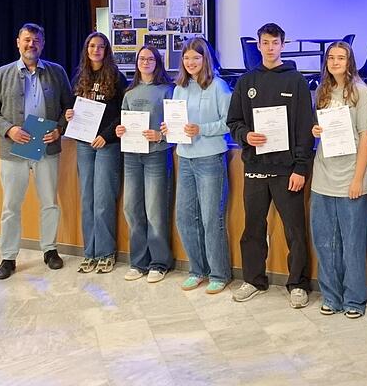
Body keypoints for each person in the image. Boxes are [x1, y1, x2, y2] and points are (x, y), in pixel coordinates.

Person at [226, 23, 314, 308]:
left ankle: (298, 284)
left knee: (295, 230)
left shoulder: (296, 81)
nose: (270, 47)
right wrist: (245, 136)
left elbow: (305, 128)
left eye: (275, 42)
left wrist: (301, 168)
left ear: (282, 45)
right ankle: (253, 279)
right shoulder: (246, 81)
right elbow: (234, 121)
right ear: (259, 45)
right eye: (265, 42)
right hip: (255, 166)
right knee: (253, 227)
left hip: (287, 170)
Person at [0, 23, 72, 280]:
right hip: (13, 149)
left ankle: (50, 250)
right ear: (18, 42)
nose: (32, 45)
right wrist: (8, 129)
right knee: (11, 205)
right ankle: (8, 257)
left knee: (50, 203)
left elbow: (69, 108)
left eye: (37, 41)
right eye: (27, 40)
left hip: (47, 148)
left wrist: (60, 130)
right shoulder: (1, 74)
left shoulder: (56, 72)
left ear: (43, 44)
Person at [161, 37, 233, 293]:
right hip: (186, 158)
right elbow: (179, 122)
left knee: (211, 219)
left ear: (206, 59)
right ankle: (197, 269)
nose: (191, 62)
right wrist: (169, 129)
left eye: (196, 57)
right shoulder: (179, 87)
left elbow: (229, 122)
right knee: (183, 217)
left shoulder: (219, 87)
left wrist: (200, 129)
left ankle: (219, 274)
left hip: (211, 159)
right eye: (187, 58)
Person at [310, 41, 367, 319]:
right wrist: (316, 130)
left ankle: (354, 300)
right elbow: (323, 130)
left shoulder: (360, 91)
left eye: (341, 58)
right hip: (323, 175)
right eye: (331, 58)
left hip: (351, 177)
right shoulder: (322, 91)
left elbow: (366, 135)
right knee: (325, 243)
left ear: (350, 62)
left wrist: (358, 178)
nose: (336, 62)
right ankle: (331, 296)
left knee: (352, 244)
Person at [66, 32, 126, 274]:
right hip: (84, 143)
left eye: (101, 46)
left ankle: (105, 252)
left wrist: (107, 135)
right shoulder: (79, 75)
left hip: (107, 145)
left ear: (107, 50)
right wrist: (68, 114)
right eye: (92, 45)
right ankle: (89, 252)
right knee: (87, 200)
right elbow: (70, 106)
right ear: (86, 49)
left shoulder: (117, 77)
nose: (96, 50)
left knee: (102, 201)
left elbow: (124, 113)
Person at [115, 45, 174, 283]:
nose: (145, 62)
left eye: (150, 58)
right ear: (136, 62)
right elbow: (124, 123)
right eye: (142, 58)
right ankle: (138, 262)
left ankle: (159, 263)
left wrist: (161, 136)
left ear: (157, 62)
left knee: (154, 210)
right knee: (131, 208)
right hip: (131, 155)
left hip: (157, 155)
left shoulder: (168, 90)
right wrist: (120, 130)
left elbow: (175, 127)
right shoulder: (129, 93)